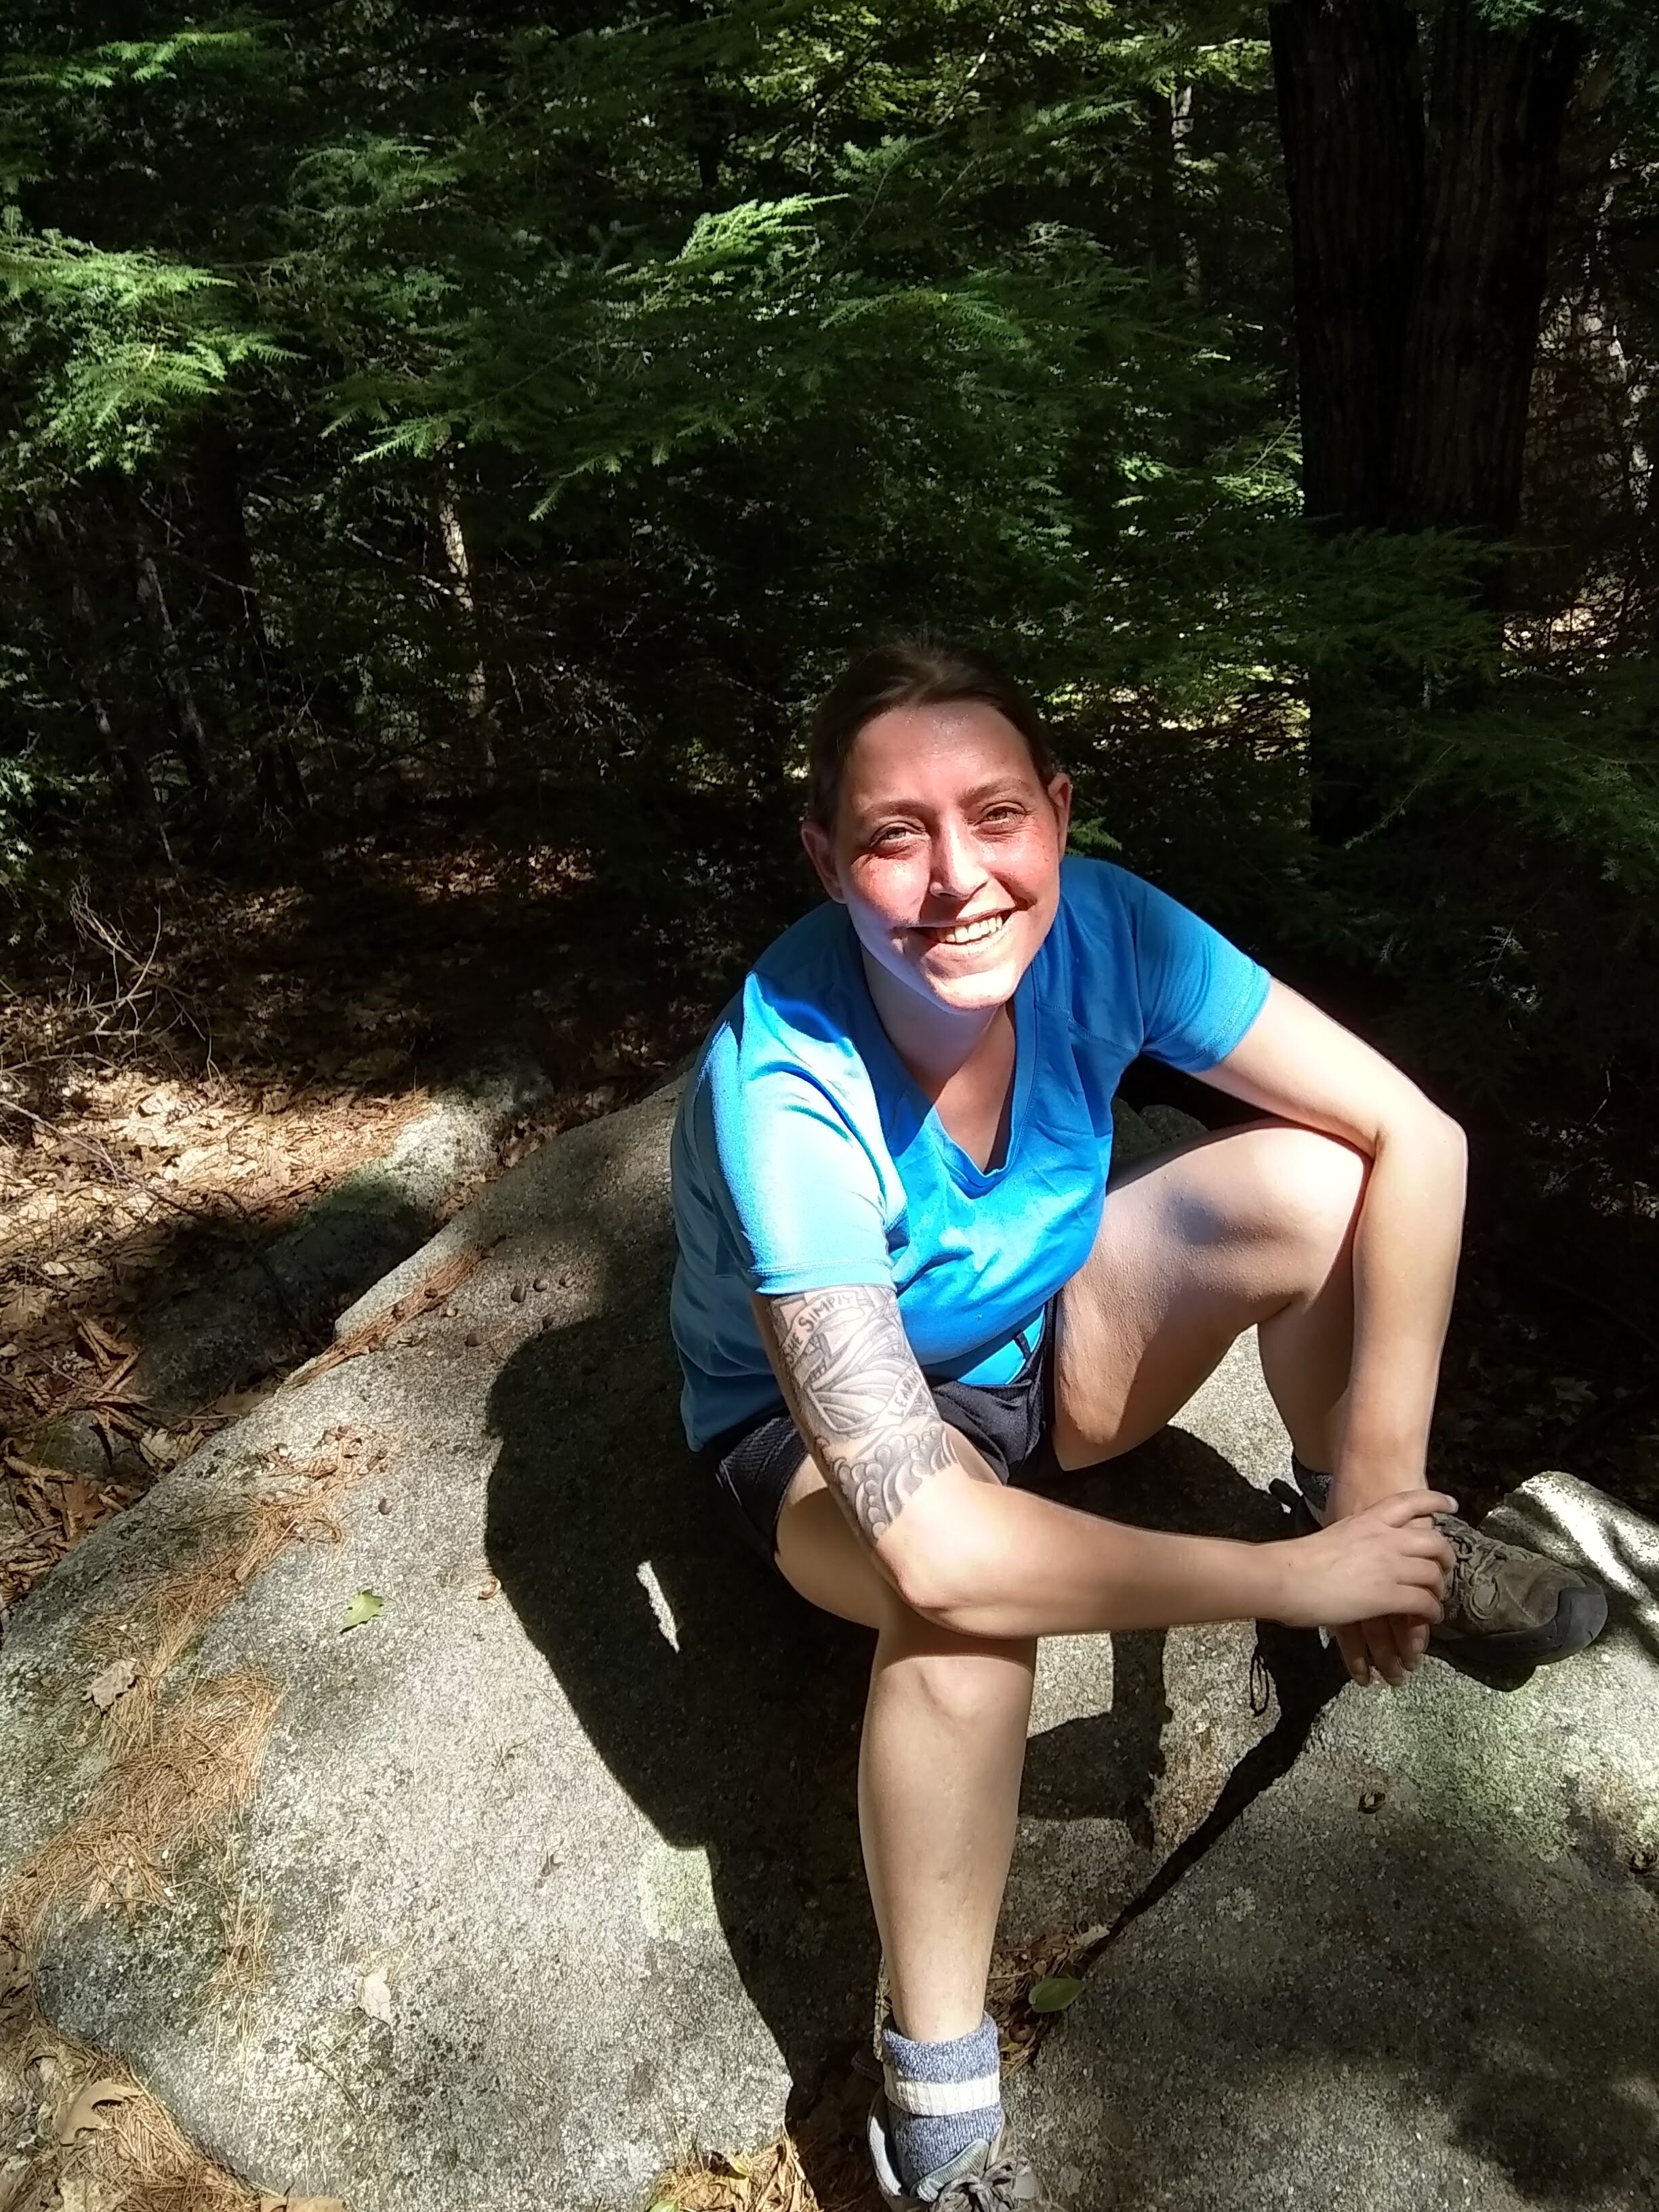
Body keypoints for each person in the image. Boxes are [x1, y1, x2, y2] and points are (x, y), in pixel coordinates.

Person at [668, 639, 1607, 2211]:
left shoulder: (1110, 928)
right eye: (896, 834)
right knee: (959, 1626)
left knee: (1318, 1181)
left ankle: (1384, 1530)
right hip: (816, 1438)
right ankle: (937, 2077)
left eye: (996, 815)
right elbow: (944, 1548)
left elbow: (1414, 1133)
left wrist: (1382, 1493)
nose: (956, 877)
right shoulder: (788, 1076)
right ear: (828, 861)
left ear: (1060, 812)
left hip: (1046, 1345)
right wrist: (1287, 1588)